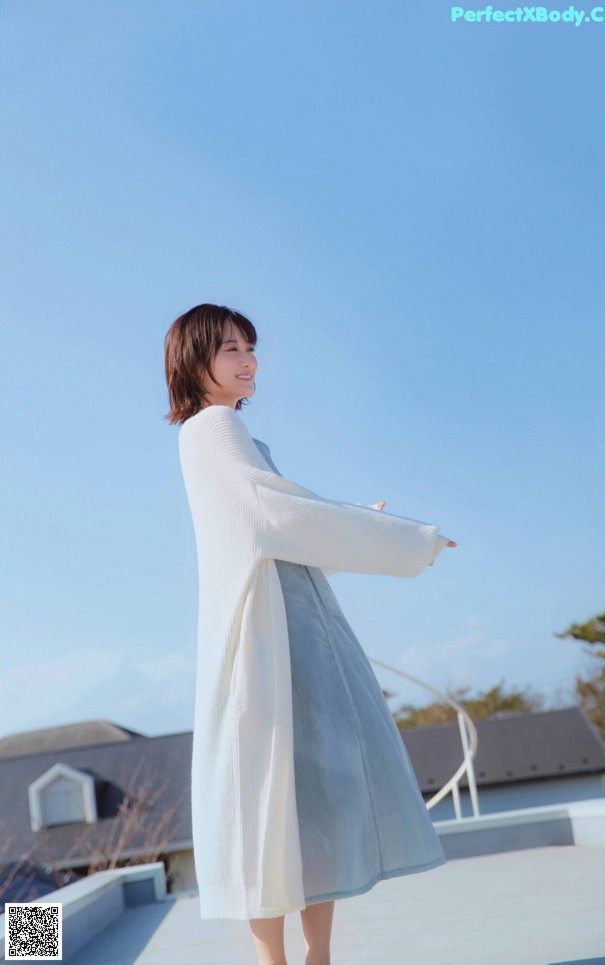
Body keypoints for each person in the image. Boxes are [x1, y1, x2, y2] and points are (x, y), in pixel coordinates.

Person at [165, 304, 457, 965]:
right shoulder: (212, 428)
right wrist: (405, 539)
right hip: (276, 635)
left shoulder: (224, 432)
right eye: (231, 348)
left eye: (251, 347)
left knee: (289, 805)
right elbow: (274, 517)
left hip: (289, 623)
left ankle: (308, 957)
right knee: (288, 803)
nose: (249, 360)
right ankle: (297, 958)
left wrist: (348, 521)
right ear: (194, 359)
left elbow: (278, 525)